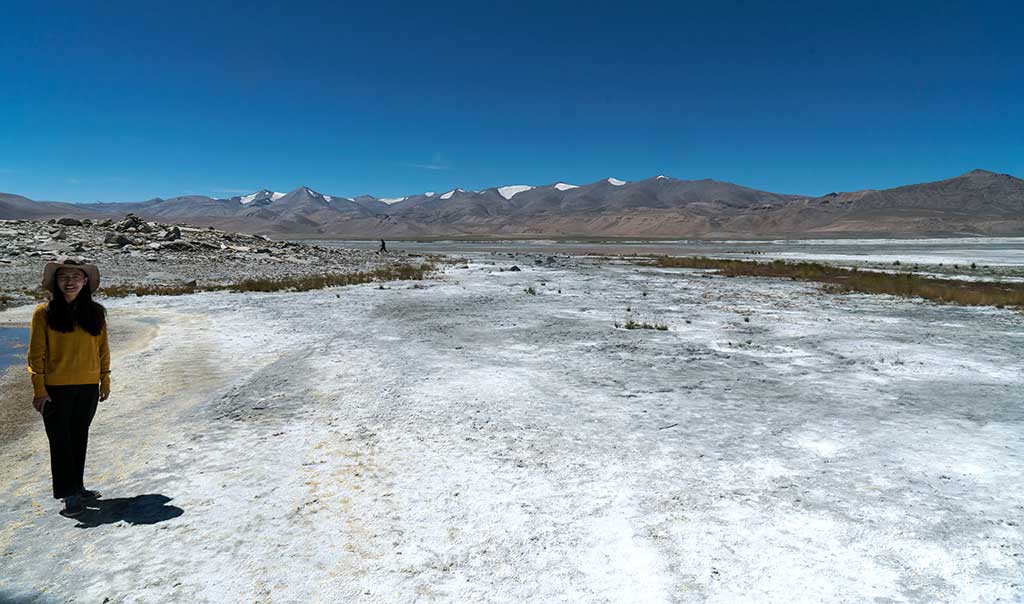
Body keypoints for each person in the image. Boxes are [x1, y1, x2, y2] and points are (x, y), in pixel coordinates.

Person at [27, 259, 110, 518]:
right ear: (56, 282)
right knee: (60, 441)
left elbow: (102, 349)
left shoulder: (95, 313)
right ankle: (68, 494)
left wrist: (104, 378)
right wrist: (39, 389)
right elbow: (36, 355)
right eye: (64, 276)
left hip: (87, 386)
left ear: (85, 282)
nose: (70, 281)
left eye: (76, 276)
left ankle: (78, 486)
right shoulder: (44, 313)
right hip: (55, 389)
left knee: (78, 437)